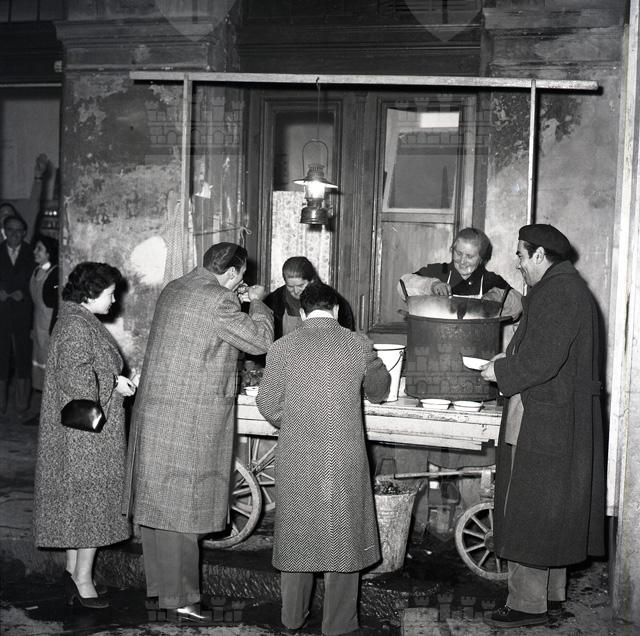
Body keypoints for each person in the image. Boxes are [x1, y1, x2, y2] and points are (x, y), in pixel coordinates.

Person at [123, 242, 274, 622]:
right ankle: (182, 599)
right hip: (189, 418)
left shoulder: (175, 287)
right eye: (241, 275)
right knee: (184, 509)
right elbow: (260, 341)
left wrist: (235, 298)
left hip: (157, 411)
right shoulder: (219, 299)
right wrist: (258, 303)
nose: (241, 281)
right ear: (232, 273)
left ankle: (162, 591)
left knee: (158, 509)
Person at [480, 224, 605, 629]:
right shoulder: (566, 289)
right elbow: (545, 353)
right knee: (552, 509)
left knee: (528, 509)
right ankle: (549, 598)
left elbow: (541, 362)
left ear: (538, 255)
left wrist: (500, 371)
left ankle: (526, 605)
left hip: (544, 417)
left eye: (520, 254)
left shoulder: (558, 293)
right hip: (557, 415)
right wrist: (509, 360)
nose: (517, 263)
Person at [256, 282, 391, 636]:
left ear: (303, 312)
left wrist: (297, 422)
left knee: (297, 532)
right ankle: (339, 625)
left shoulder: (282, 347)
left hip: (297, 454)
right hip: (344, 456)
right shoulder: (357, 344)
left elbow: (267, 403)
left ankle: (292, 618)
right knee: (343, 534)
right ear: (336, 309)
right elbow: (378, 393)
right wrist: (376, 364)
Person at [33, 262, 137, 609]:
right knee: (91, 506)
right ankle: (82, 580)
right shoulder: (77, 326)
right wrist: (114, 383)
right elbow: (77, 379)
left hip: (78, 433)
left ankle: (72, 572)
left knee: (78, 505)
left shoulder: (76, 319)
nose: (114, 300)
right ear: (91, 294)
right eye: (110, 294)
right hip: (87, 437)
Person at [398, 226, 522, 319]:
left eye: (470, 256)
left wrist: (496, 297)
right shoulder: (439, 271)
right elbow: (402, 285)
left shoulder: (490, 280)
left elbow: (519, 305)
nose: (462, 261)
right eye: (458, 253)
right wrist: (431, 285)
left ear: (481, 258)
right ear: (452, 250)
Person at [265, 256, 355, 339]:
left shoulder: (332, 300)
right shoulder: (272, 302)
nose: (296, 291)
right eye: (290, 286)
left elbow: (345, 338)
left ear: (312, 280)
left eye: (300, 285)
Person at [0, 214, 35, 414]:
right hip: (1, 316)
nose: (14, 234)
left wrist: (25, 294)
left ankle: (22, 404)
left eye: (19, 230)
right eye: (10, 230)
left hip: (24, 316)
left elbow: (42, 284)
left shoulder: (33, 253)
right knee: (1, 358)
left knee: (23, 359)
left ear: (24, 233)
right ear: (4, 231)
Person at [29, 235, 59, 393]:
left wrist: (53, 331)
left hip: (49, 327)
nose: (35, 251)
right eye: (35, 248)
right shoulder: (36, 271)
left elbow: (57, 306)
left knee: (50, 366)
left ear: (49, 253)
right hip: (37, 325)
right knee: (39, 364)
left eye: (39, 249)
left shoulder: (55, 274)